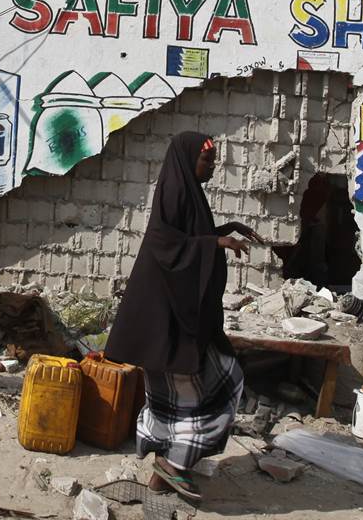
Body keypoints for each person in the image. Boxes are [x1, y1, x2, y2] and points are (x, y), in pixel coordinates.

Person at [105, 132, 260, 501]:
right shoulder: (175, 192)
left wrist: (225, 230)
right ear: (187, 159)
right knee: (206, 391)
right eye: (207, 161)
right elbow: (162, 240)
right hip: (168, 318)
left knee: (177, 397)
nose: (212, 166)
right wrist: (215, 243)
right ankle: (174, 466)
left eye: (214, 161)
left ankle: (162, 478)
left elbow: (189, 235)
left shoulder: (188, 191)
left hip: (176, 317)